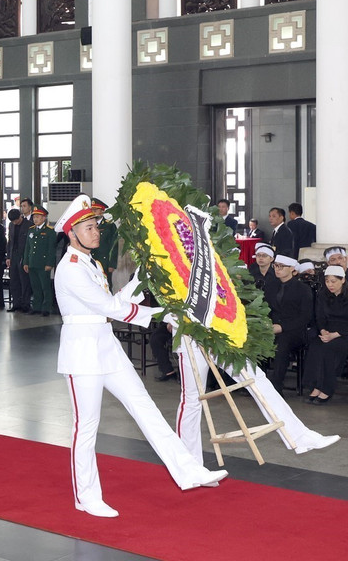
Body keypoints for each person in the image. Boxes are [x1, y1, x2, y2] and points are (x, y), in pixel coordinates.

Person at [53, 195, 227, 518]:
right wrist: (162, 312)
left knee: (145, 407)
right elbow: (108, 308)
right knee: (86, 425)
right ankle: (87, 496)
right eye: (88, 227)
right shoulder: (70, 269)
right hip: (82, 352)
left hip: (105, 344)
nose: (96, 232)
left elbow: (114, 300)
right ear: (71, 233)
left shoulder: (92, 264)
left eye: (96, 226)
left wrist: (141, 277)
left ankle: (187, 470)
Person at [173, 317, 339, 461]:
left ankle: (300, 436)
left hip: (220, 332)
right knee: (192, 399)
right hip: (190, 337)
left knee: (257, 379)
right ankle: (189, 462)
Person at [264, 254, 313, 393]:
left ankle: (275, 386)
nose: (277, 269)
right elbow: (266, 308)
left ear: (292, 269)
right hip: (272, 327)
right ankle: (256, 381)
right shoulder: (271, 285)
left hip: (295, 330)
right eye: (275, 266)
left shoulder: (303, 289)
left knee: (282, 343)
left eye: (281, 266)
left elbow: (305, 317)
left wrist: (282, 327)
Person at [304, 265, 348, 404]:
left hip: (344, 333)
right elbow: (319, 316)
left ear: (343, 280)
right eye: (327, 281)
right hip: (327, 331)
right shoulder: (323, 294)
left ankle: (327, 388)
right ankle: (316, 386)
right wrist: (323, 330)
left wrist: (336, 334)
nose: (330, 285)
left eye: (333, 281)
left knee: (329, 349)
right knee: (316, 346)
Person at [23, 206, 57, 316]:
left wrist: (49, 263)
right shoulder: (31, 230)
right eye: (34, 217)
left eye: (37, 217)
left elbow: (51, 249)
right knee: (35, 286)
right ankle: (36, 307)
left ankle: (46, 307)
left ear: (44, 218)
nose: (35, 219)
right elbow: (28, 248)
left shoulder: (50, 231)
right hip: (32, 263)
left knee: (45, 287)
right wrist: (26, 262)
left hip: (43, 264)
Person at [6, 207, 31, 312]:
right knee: (14, 280)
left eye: (16, 220)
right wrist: (8, 256)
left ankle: (25, 304)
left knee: (24, 280)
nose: (15, 223)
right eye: (13, 221)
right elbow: (10, 241)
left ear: (20, 216)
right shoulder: (11, 225)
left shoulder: (29, 225)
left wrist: (27, 259)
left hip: (24, 255)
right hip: (13, 255)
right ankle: (16, 303)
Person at [90, 199, 118, 289]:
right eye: (91, 210)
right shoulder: (88, 225)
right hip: (91, 261)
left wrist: (112, 264)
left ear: (102, 211)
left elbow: (114, 246)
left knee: (106, 286)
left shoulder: (109, 226)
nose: (93, 213)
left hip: (104, 262)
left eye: (95, 210)